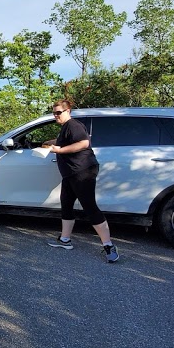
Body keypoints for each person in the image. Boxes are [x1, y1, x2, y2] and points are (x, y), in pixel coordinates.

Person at [45, 99, 119, 262]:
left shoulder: (73, 125)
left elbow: (84, 143)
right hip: (71, 174)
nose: (56, 115)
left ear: (68, 111)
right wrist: (50, 144)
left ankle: (108, 246)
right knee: (66, 203)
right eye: (54, 113)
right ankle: (65, 240)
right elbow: (66, 141)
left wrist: (60, 150)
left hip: (82, 171)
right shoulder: (66, 128)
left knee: (90, 207)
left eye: (59, 112)